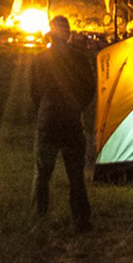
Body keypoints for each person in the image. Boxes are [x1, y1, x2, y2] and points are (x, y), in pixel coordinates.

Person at [29, 14, 96, 231]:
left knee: (42, 173)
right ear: (67, 35)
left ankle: (39, 218)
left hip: (48, 120)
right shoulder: (80, 60)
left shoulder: (39, 60)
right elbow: (90, 89)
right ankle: (81, 219)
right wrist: (77, 106)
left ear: (50, 34)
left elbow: (34, 91)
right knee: (76, 175)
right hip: (71, 121)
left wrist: (44, 108)